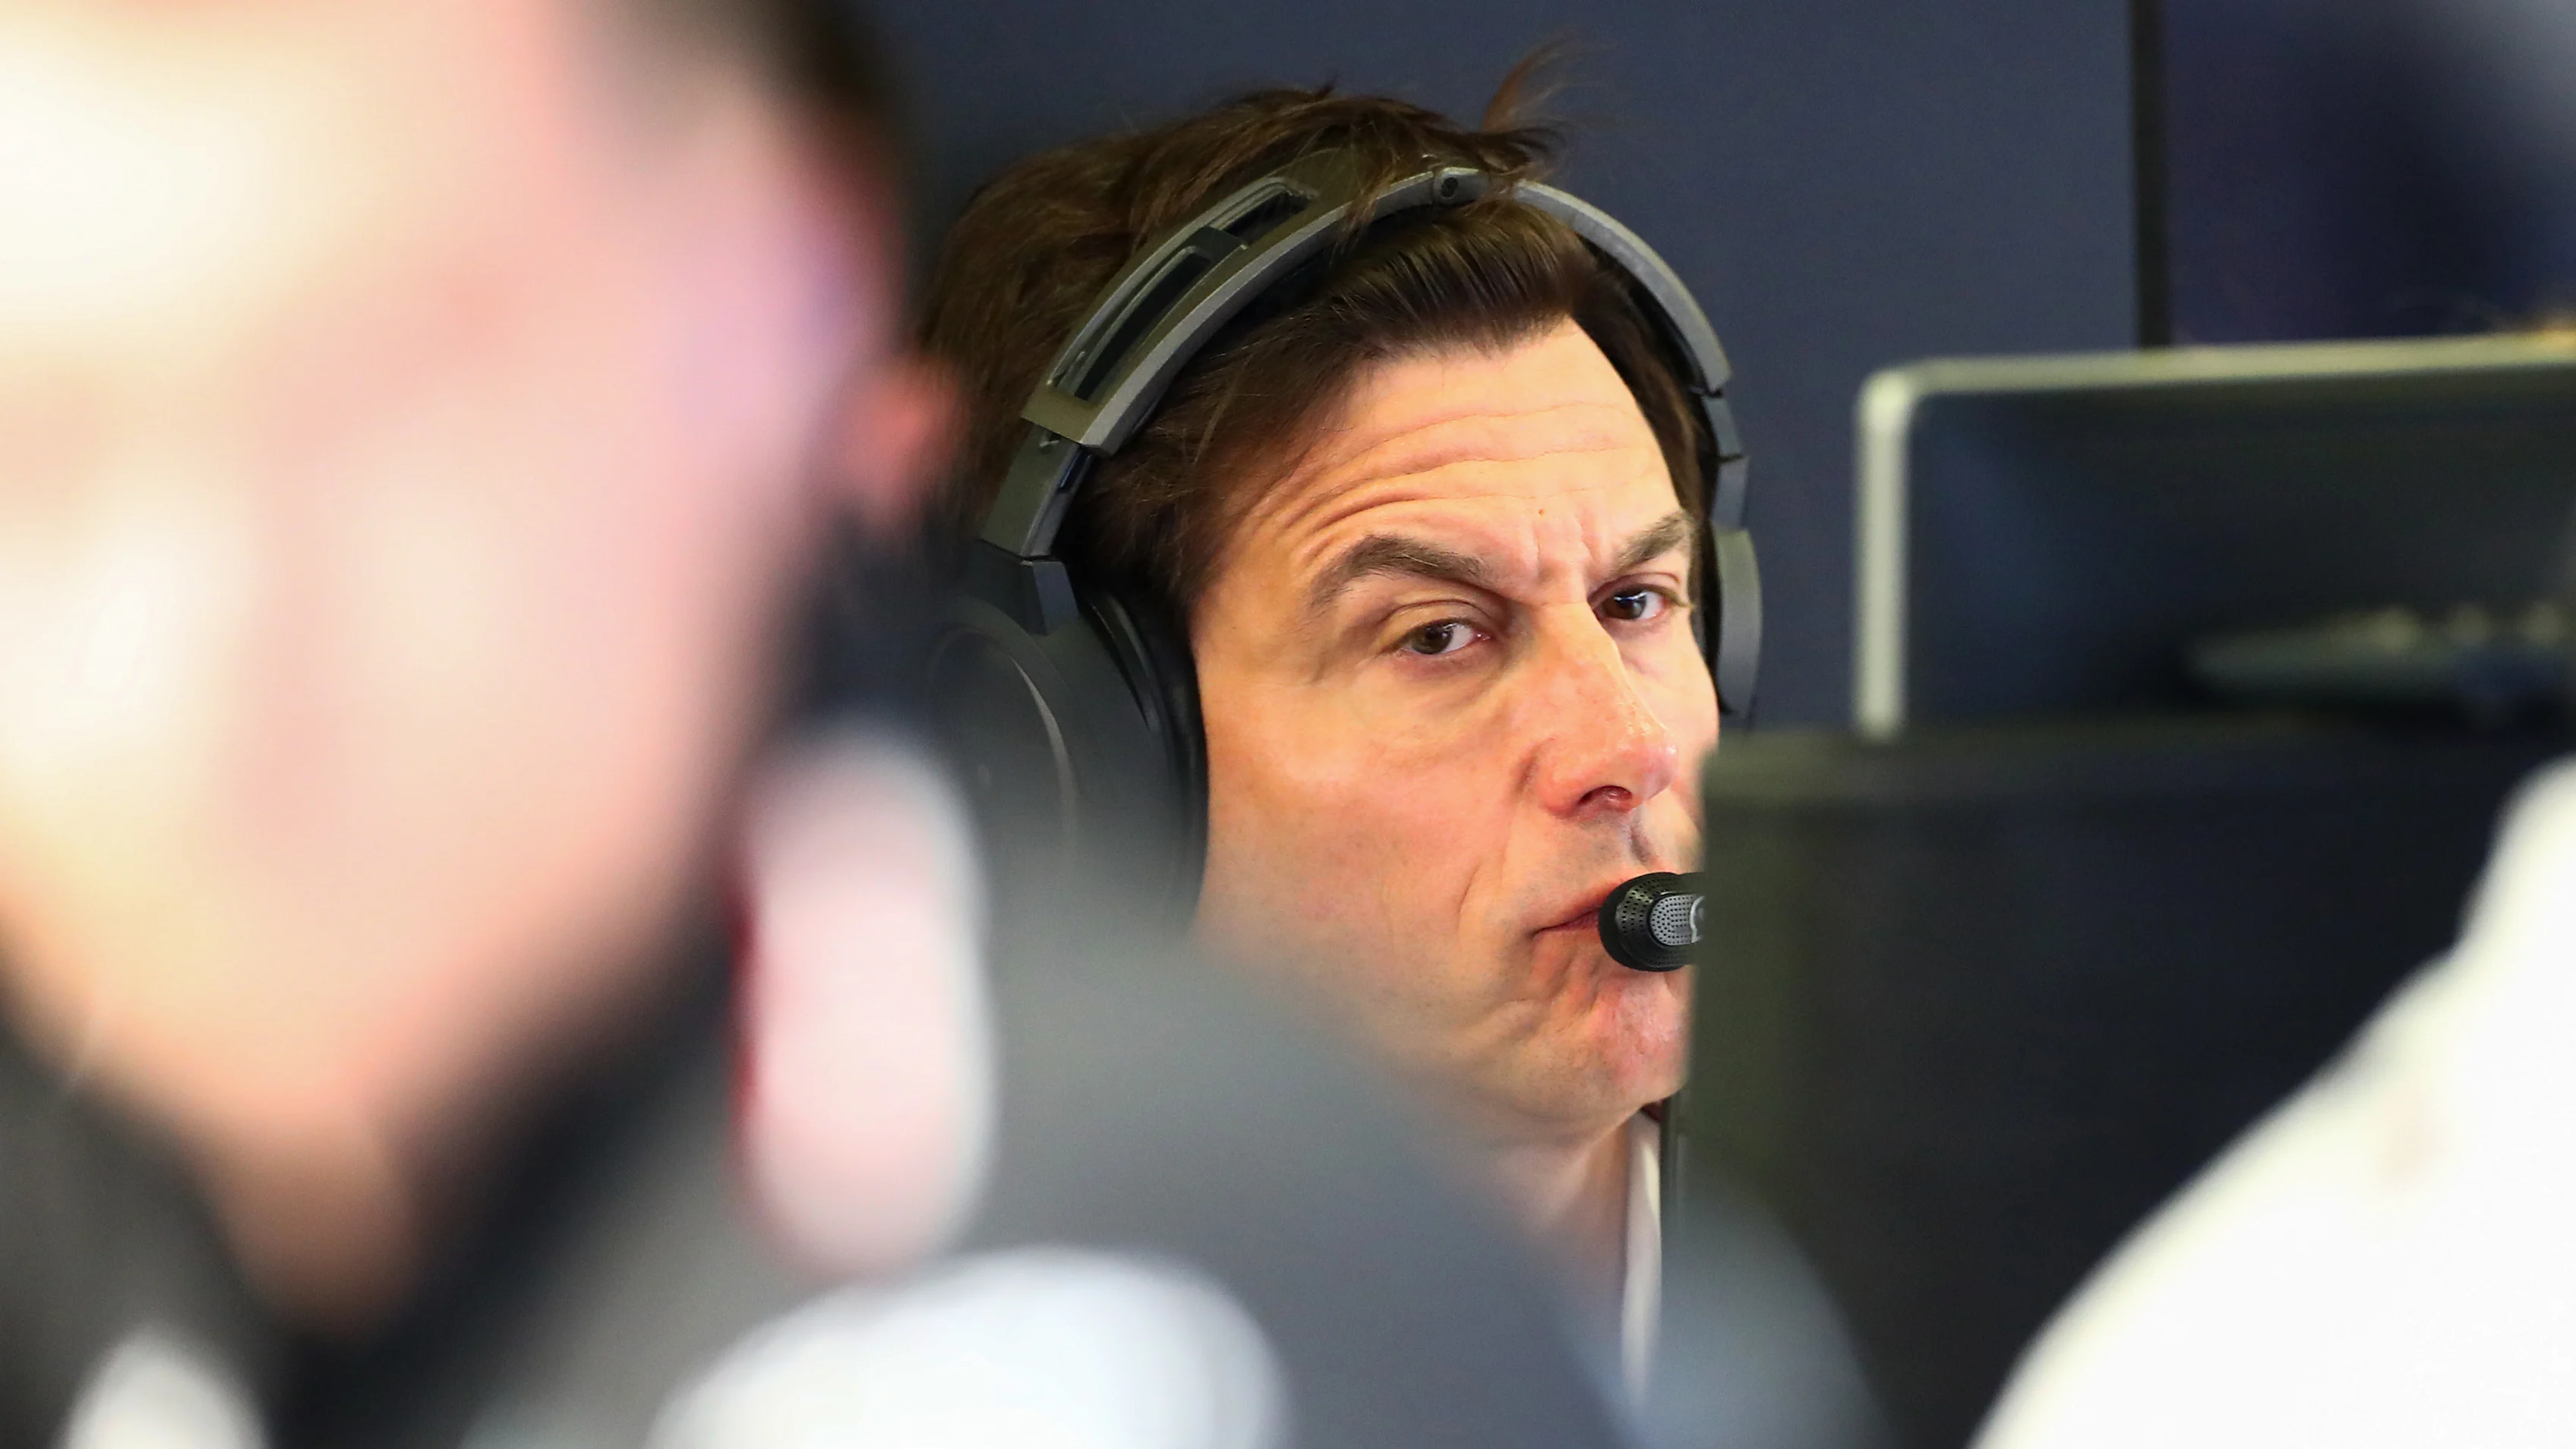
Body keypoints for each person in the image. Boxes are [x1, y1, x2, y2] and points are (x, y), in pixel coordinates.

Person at [0, 5, 1634, 1445]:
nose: (206, 644)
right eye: (45, 444)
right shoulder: (107, 1236)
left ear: (781, 328)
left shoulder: (1115, 1311)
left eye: (396, 382)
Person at [920, 83, 1722, 1378]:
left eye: (1636, 602)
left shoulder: (2002, 1277)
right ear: (1091, 757)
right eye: (1438, 635)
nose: (1624, 751)